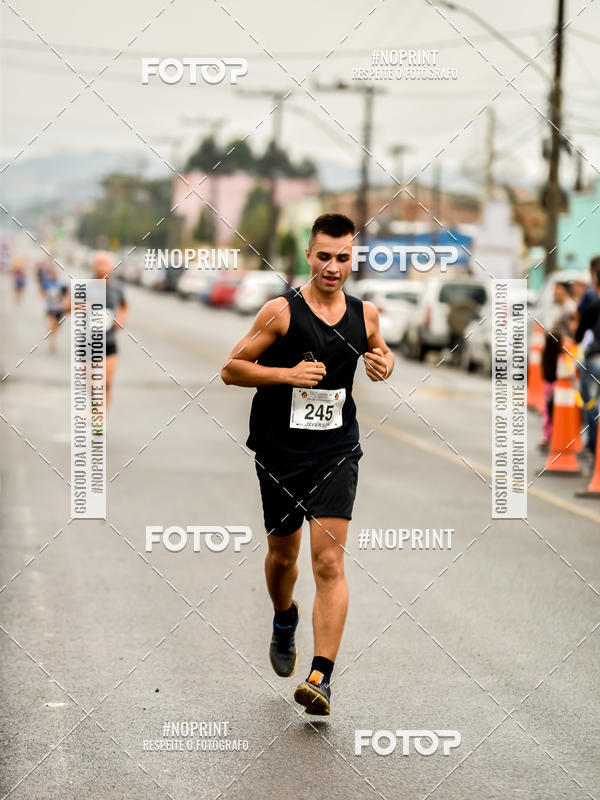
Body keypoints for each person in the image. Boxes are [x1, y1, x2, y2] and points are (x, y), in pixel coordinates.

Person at [221, 213, 394, 715]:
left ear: (353, 257)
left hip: (336, 450)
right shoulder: (281, 312)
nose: (334, 266)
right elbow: (232, 369)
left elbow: (381, 356)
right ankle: (283, 617)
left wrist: (382, 364)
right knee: (283, 559)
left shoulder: (367, 316)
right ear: (308, 256)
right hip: (280, 453)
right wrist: (287, 375)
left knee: (328, 561)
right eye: (324, 256)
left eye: (343, 257)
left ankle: (320, 678)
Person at [575, 257, 600, 464]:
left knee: (592, 405)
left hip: (594, 360)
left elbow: (578, 335)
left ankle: (594, 450)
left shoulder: (592, 304)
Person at [43, 266, 68, 354]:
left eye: (54, 274)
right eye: (51, 274)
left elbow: (66, 294)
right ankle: (52, 343)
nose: (53, 276)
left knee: (56, 328)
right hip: (50, 308)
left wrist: (62, 300)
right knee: (51, 326)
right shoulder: (47, 283)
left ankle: (53, 338)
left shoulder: (61, 284)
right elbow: (43, 292)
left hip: (60, 310)